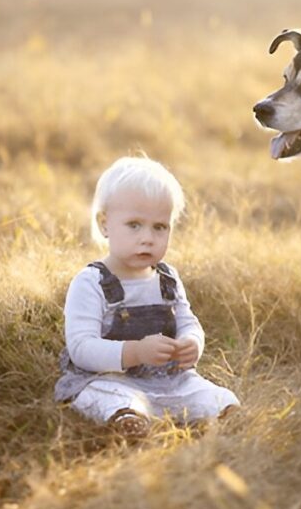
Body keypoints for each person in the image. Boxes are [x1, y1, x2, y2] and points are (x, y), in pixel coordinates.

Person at [55, 156, 240, 438]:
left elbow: (188, 320)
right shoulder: (90, 282)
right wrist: (135, 352)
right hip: (109, 378)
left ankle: (223, 414)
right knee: (105, 396)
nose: (148, 238)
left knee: (214, 395)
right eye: (134, 225)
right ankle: (128, 419)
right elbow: (81, 347)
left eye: (159, 227)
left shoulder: (167, 278)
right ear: (105, 224)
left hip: (169, 380)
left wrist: (192, 342)